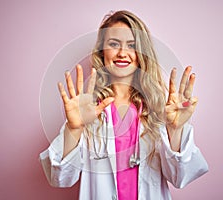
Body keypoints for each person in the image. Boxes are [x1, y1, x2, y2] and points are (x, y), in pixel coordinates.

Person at [40, 10, 208, 200]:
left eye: (132, 45)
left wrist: (175, 129)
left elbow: (180, 177)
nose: (122, 53)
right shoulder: (89, 110)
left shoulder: (160, 109)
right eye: (113, 44)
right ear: (102, 52)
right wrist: (74, 128)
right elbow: (60, 177)